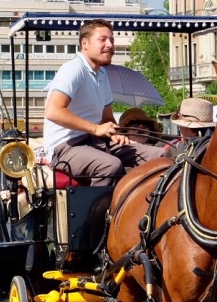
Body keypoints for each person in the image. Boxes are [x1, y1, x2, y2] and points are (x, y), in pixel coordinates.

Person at [42, 18, 162, 187]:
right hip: (65, 147)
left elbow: (107, 119)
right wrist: (96, 129)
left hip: (95, 141)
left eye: (111, 40)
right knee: (109, 166)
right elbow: (53, 111)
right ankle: (100, 213)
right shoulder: (73, 69)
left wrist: (117, 133)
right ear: (85, 43)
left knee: (159, 155)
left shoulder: (102, 74)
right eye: (103, 39)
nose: (110, 45)